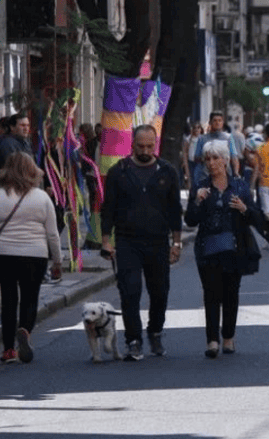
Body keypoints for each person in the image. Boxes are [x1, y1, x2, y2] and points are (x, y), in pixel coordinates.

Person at [100, 125, 183, 361]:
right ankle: (133, 341)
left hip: (158, 242)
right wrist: (106, 241)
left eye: (149, 146)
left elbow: (175, 209)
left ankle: (155, 331)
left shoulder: (167, 171)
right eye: (140, 146)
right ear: (132, 145)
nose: (145, 150)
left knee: (160, 292)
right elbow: (108, 210)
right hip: (128, 242)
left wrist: (176, 243)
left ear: (155, 144)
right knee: (130, 291)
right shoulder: (120, 172)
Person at [185, 141, 269, 358]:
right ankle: (212, 340)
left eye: (216, 158)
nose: (212, 163)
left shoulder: (240, 186)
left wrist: (244, 209)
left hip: (235, 247)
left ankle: (228, 337)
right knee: (211, 294)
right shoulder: (200, 187)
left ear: (225, 160)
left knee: (231, 293)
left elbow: (254, 214)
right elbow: (190, 220)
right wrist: (197, 201)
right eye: (208, 159)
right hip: (207, 248)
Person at [0, 153, 62, 363]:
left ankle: (8, 350)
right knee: (30, 297)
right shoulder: (42, 198)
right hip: (34, 254)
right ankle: (25, 331)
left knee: (9, 300)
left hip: (3, 255)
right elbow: (52, 234)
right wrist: (57, 261)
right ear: (33, 171)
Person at [193, 112, 240, 185]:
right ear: (210, 122)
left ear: (223, 122)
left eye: (219, 120)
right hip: (205, 177)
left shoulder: (228, 138)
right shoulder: (202, 139)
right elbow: (196, 158)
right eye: (215, 120)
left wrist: (236, 172)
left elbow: (234, 157)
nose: (217, 123)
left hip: (224, 177)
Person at [0, 113, 32, 177]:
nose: (26, 128)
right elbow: (13, 170)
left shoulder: (25, 142)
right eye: (22, 125)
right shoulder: (7, 144)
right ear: (12, 127)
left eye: (27, 125)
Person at [182, 122, 203, 188]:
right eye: (195, 128)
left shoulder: (203, 139)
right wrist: (186, 167)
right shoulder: (188, 139)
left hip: (200, 163)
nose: (196, 129)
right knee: (192, 182)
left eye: (198, 128)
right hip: (191, 162)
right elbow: (185, 153)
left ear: (201, 129)